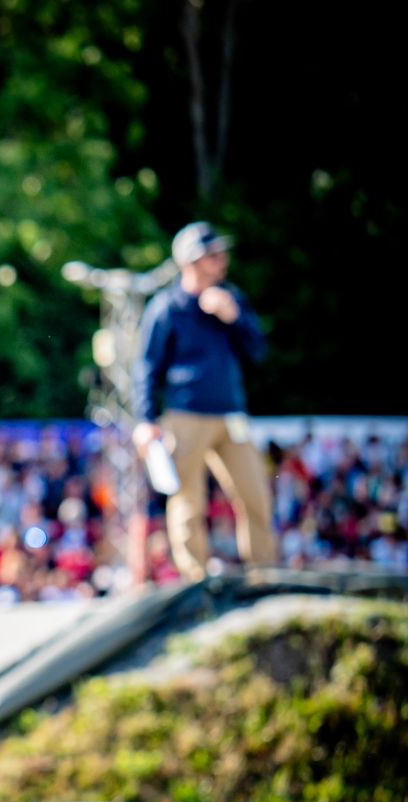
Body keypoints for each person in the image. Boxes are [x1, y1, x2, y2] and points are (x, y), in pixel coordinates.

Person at [134, 221, 276, 580]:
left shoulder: (232, 299)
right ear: (191, 261)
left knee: (255, 494)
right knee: (187, 501)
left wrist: (236, 318)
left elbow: (258, 352)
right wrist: (146, 420)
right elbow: (147, 367)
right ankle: (195, 578)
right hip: (186, 416)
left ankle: (264, 573)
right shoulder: (167, 307)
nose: (222, 261)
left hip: (231, 414)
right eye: (214, 255)